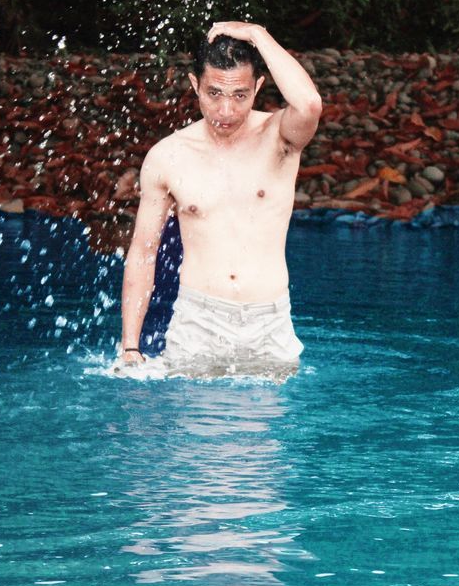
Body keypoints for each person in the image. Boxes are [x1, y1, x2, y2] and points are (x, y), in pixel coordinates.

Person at [118, 21, 322, 376]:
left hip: (268, 323)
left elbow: (309, 103)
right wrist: (130, 346)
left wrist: (258, 33)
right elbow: (143, 252)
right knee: (197, 430)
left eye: (239, 95)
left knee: (262, 431)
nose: (226, 111)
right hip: (198, 322)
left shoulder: (279, 138)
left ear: (258, 87)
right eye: (214, 94)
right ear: (195, 85)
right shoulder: (168, 157)